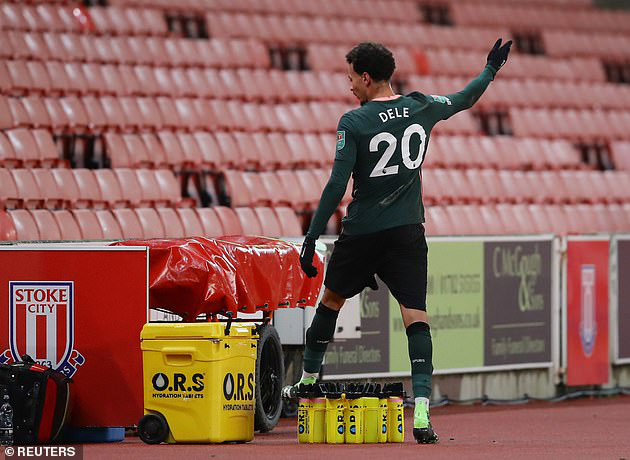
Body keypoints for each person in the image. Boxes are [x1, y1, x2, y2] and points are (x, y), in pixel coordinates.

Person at [286, 39, 512, 444]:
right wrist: (490, 70)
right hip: (407, 231)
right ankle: (422, 412)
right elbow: (465, 98)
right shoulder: (420, 106)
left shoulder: (353, 123)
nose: (349, 84)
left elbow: (337, 184)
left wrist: (311, 236)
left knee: (332, 301)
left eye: (352, 77)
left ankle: (307, 382)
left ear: (367, 78)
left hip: (362, 232)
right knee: (416, 316)